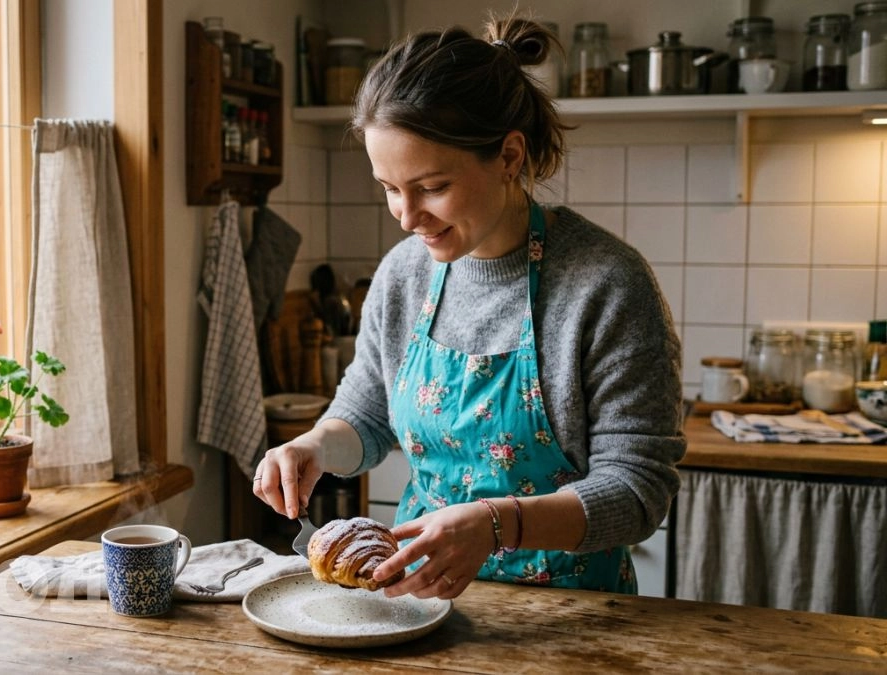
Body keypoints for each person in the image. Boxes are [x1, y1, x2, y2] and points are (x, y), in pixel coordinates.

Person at [251, 15, 684, 600]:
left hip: (574, 616)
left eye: (431, 187)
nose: (406, 216)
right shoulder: (405, 273)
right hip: (414, 604)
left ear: (508, 156)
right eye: (388, 188)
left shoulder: (606, 285)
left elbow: (638, 491)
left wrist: (498, 524)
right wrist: (313, 448)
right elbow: (369, 414)